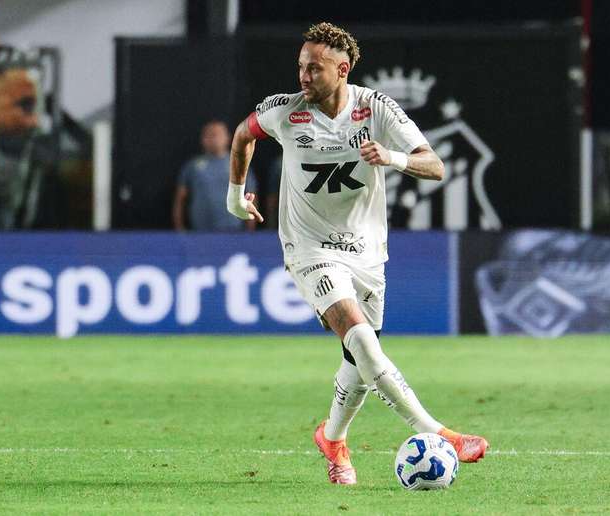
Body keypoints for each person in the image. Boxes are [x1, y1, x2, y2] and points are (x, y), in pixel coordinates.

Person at [226, 22, 488, 485]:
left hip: (368, 252)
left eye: (315, 68)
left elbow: (435, 164)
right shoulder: (285, 112)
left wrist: (394, 158)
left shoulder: (375, 108)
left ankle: (332, 438)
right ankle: (439, 432)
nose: (304, 77)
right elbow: (243, 136)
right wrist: (234, 196)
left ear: (342, 69)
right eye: (301, 67)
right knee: (361, 339)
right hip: (309, 247)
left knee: (360, 363)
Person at [173, 120, 256, 232]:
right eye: (208, 135)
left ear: (227, 137)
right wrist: (180, 230)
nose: (212, 139)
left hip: (234, 231)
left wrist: (250, 230)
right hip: (200, 233)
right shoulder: (192, 166)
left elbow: (251, 196)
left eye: (216, 135)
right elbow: (180, 199)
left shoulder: (239, 164)